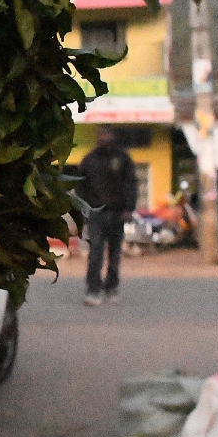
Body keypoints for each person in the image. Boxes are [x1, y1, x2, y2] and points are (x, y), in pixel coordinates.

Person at [77, 128, 137, 306]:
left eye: (107, 138)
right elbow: (81, 186)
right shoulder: (89, 160)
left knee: (115, 252)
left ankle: (111, 286)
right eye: (100, 138)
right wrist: (86, 206)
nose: (104, 141)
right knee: (95, 251)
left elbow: (131, 184)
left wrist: (129, 208)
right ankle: (93, 289)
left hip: (118, 213)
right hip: (96, 213)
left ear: (113, 138)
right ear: (97, 140)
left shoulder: (123, 158)